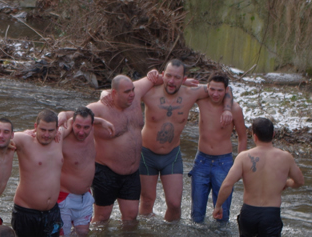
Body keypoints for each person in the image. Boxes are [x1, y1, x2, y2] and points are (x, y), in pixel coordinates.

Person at [139, 59, 233, 221]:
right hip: (147, 154)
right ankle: (146, 234)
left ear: (183, 79)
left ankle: (170, 235)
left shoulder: (191, 93)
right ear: (163, 75)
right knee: (147, 201)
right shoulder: (149, 91)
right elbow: (124, 89)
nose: (171, 81)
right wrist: (151, 79)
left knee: (175, 204)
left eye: (177, 77)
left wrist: (227, 109)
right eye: (168, 76)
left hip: (171, 156)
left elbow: (224, 89)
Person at [213, 117, 304, 237]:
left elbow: (227, 183)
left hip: (249, 213)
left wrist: (218, 206)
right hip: (270, 214)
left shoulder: (244, 157)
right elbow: (300, 181)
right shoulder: (285, 157)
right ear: (273, 134)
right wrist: (287, 183)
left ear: (254, 135)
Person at [87, 73, 157, 225]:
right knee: (102, 218)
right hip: (106, 172)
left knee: (131, 217)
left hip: (132, 173)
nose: (132, 94)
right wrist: (99, 121)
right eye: (127, 92)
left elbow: (155, 77)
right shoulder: (99, 108)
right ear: (114, 93)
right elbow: (75, 118)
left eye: (132, 90)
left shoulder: (135, 97)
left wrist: (185, 81)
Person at [190, 72, 247, 223]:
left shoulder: (235, 109)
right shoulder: (201, 101)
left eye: (220, 90)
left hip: (224, 163)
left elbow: (242, 137)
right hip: (201, 160)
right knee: (196, 215)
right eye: (212, 89)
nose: (215, 94)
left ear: (226, 90)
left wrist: (240, 165)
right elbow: (180, 89)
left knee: (223, 215)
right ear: (207, 88)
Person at [11, 109, 65, 237]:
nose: (46, 135)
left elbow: (73, 116)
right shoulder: (24, 140)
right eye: (42, 130)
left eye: (51, 131)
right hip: (26, 213)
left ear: (57, 129)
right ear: (35, 127)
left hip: (52, 213)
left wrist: (63, 115)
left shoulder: (59, 138)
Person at [56, 107, 114, 236]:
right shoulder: (65, 133)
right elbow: (49, 135)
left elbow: (85, 118)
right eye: (78, 126)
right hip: (64, 197)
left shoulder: (92, 130)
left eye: (86, 127)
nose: (81, 132)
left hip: (85, 197)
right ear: (72, 123)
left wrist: (102, 121)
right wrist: (63, 114)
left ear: (92, 126)